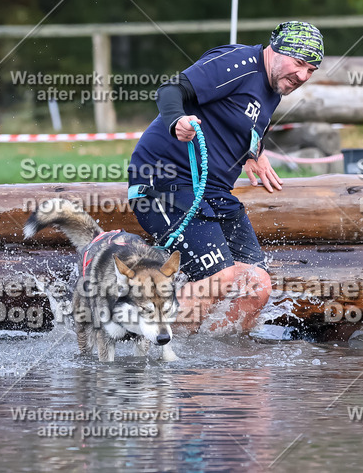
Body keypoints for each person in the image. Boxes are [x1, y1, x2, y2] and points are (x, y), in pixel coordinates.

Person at [127, 21, 324, 332]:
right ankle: (157, 346)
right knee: (218, 278)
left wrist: (256, 151)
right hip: (164, 181)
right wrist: (176, 120)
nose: (303, 76)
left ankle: (219, 355)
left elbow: (241, 120)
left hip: (214, 193)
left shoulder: (275, 88)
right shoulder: (239, 62)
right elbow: (170, 89)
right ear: (275, 51)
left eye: (311, 70)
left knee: (257, 285)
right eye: (299, 63)